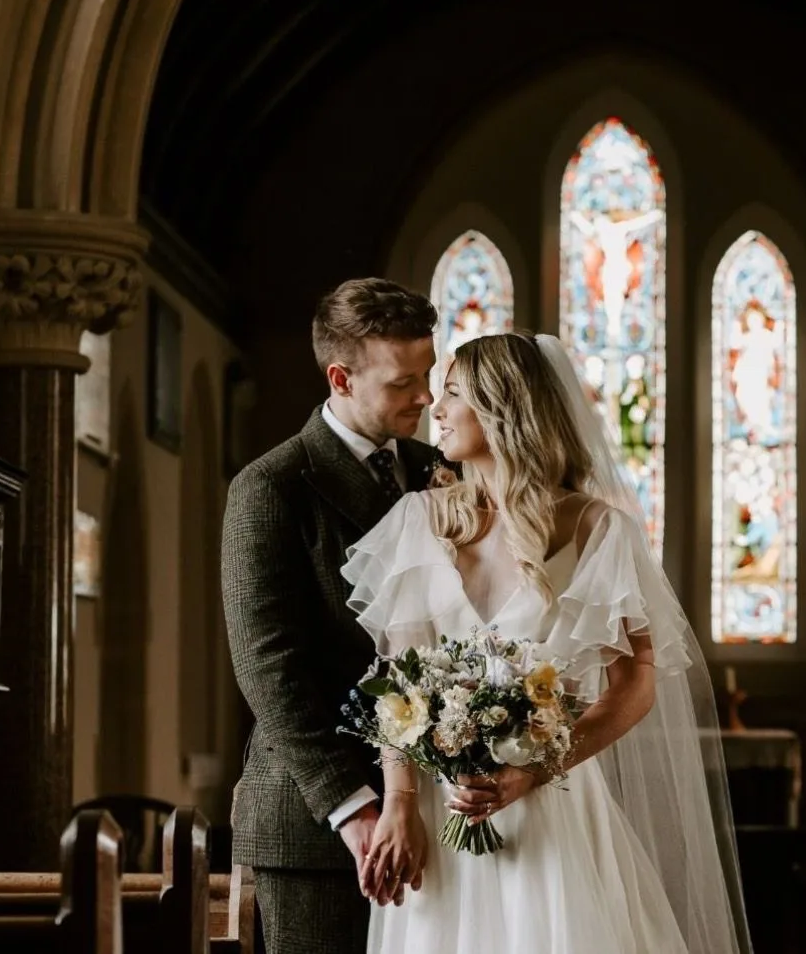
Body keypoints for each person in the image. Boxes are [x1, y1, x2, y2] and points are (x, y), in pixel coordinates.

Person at [341, 332, 752, 953]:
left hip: (549, 809)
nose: (436, 410)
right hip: (439, 812)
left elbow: (637, 680)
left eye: (453, 394)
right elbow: (396, 680)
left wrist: (531, 772)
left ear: (503, 409)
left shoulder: (597, 529)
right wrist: (399, 803)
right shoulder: (417, 521)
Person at [221, 278, 446, 954]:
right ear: (341, 377)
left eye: (429, 374)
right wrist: (356, 807)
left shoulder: (438, 471)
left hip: (437, 811)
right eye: (403, 382)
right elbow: (267, 665)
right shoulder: (272, 487)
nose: (426, 396)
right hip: (320, 823)